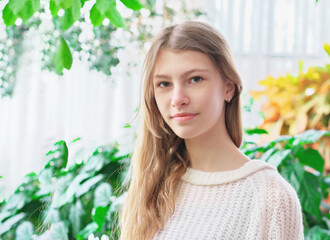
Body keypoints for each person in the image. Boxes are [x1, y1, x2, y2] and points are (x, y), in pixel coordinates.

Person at [119, 21, 304, 240]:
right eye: (164, 84)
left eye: (195, 79)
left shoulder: (271, 197)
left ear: (228, 88)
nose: (178, 99)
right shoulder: (152, 186)